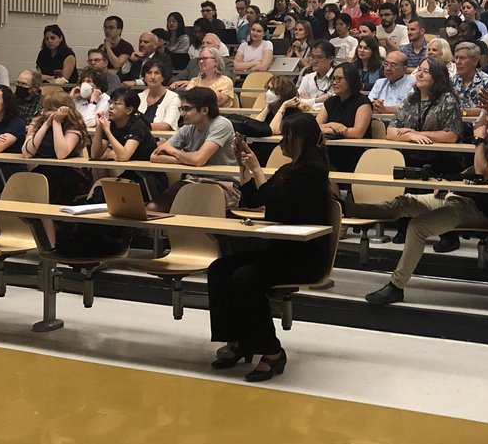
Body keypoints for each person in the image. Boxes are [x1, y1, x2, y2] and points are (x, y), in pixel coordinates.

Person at [360, 96, 488, 304]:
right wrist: (450, 181)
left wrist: (479, 141)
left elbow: (482, 171)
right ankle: (349, 210)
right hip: (456, 198)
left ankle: (396, 287)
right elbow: (470, 170)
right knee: (404, 202)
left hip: (479, 210)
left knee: (417, 226)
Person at [206, 113, 335, 382]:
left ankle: (272, 352)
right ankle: (238, 341)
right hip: (281, 249)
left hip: (304, 255)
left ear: (299, 138)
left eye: (285, 136)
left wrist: (257, 169)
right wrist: (245, 169)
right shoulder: (289, 169)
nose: (280, 142)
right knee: (219, 268)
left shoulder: (313, 170)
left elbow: (278, 205)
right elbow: (255, 201)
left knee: (246, 277)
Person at [150, 87, 238, 208]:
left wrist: (176, 153)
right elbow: (155, 156)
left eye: (187, 109)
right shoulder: (188, 128)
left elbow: (198, 160)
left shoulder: (221, 124)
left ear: (205, 110)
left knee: (192, 208)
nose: (182, 113)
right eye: (181, 109)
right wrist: (187, 160)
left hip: (223, 183)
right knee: (153, 207)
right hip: (193, 180)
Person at [24, 92, 91, 204]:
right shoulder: (38, 122)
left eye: (48, 109)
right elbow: (27, 152)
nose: (43, 113)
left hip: (68, 174)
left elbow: (61, 154)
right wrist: (45, 125)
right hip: (43, 171)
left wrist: (56, 122)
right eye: (43, 109)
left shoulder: (74, 126)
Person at [317, 63, 373, 169]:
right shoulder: (330, 102)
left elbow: (358, 133)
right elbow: (314, 126)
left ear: (351, 80)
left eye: (339, 79)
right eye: (333, 79)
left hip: (354, 152)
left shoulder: (362, 102)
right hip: (329, 151)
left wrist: (330, 130)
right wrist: (331, 125)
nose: (334, 82)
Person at [92, 86, 157, 163]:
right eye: (110, 102)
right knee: (100, 166)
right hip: (127, 169)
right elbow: (95, 155)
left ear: (129, 110)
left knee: (112, 157)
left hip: (146, 171)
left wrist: (107, 131)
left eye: (116, 103)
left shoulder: (138, 125)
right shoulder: (113, 122)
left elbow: (123, 156)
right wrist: (99, 127)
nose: (111, 107)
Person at [450, 42, 488, 118]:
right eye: (456, 58)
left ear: (475, 61)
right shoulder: (450, 81)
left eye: (462, 58)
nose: (457, 62)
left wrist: (462, 112)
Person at [138, 58, 180, 132]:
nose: (153, 77)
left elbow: (166, 126)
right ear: (144, 78)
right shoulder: (139, 97)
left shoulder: (174, 98)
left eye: (157, 73)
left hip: (162, 140)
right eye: (149, 73)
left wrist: (137, 127)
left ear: (163, 78)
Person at [296, 40, 337, 109]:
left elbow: (334, 104)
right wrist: (316, 100)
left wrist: (308, 101)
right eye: (312, 56)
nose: (314, 61)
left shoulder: (338, 78)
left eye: (319, 57)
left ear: (330, 59)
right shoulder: (307, 78)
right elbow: (297, 101)